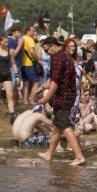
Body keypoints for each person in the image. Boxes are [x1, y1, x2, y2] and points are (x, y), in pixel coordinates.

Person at [37, 37, 86, 166]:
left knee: (64, 126)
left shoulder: (57, 58)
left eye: (47, 50)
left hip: (62, 97)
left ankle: (79, 157)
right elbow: (54, 78)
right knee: (57, 126)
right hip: (69, 95)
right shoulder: (65, 55)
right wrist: (42, 87)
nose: (46, 53)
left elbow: (55, 83)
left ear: (52, 46)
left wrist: (45, 99)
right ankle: (49, 154)